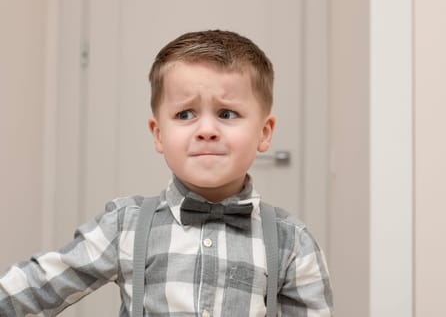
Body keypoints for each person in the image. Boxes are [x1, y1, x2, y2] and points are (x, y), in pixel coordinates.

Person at [0, 30, 333, 316]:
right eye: (185, 113)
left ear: (264, 132)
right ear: (158, 133)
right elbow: (40, 284)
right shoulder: (124, 225)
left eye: (227, 113)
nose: (206, 130)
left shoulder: (292, 242)